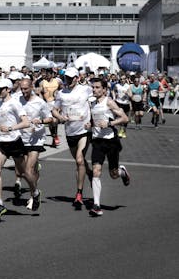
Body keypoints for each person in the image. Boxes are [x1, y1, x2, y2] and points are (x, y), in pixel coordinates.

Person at [86, 78, 130, 216]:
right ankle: (96, 205)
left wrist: (110, 124)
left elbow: (125, 119)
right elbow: (95, 120)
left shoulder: (109, 102)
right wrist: (90, 125)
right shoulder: (92, 103)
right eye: (93, 87)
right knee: (96, 171)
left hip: (111, 142)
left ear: (104, 89)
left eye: (98, 87)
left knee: (113, 174)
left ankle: (122, 172)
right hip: (97, 141)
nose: (94, 90)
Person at [52, 67, 93, 210]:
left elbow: (95, 101)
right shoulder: (61, 94)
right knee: (79, 161)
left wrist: (93, 121)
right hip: (70, 132)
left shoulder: (86, 89)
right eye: (66, 78)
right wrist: (60, 117)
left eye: (71, 78)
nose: (68, 80)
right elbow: (54, 110)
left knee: (79, 159)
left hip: (84, 130)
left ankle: (79, 194)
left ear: (77, 78)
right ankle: (89, 173)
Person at [0, 79, 30, 219]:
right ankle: (0, 204)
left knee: (24, 173)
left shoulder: (15, 103)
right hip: (1, 141)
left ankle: (35, 192)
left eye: (1, 88)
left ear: (8, 89)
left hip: (14, 141)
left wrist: (10, 128)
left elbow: (26, 123)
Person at [18, 78, 53, 212]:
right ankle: (35, 189)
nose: (23, 91)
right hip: (22, 139)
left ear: (32, 87)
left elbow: (50, 119)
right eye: (21, 89)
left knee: (28, 171)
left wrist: (41, 121)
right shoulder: (18, 100)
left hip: (36, 139)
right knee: (24, 172)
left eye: (26, 89)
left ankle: (34, 195)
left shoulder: (40, 102)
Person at [39, 68, 61, 147]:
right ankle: (54, 137)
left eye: (49, 74)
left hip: (55, 104)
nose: (47, 76)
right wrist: (41, 101)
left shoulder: (57, 81)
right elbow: (40, 93)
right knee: (50, 122)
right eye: (46, 74)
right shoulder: (42, 82)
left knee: (54, 121)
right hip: (47, 104)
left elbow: (62, 90)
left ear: (52, 74)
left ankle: (55, 137)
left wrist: (58, 95)